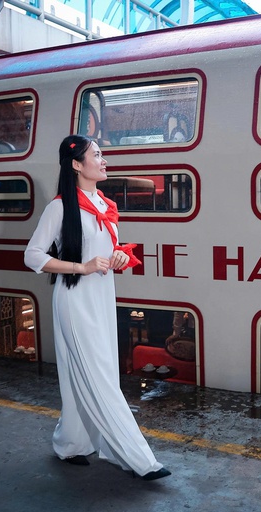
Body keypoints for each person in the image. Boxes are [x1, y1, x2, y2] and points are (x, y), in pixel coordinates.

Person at [24, 135, 170, 481]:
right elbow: (32, 256)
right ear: (77, 165)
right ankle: (139, 459)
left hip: (102, 296)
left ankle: (70, 444)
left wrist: (119, 255)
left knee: (83, 376)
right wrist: (81, 267)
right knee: (100, 377)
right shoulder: (60, 207)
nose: (104, 161)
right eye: (97, 155)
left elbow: (109, 249)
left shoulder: (104, 204)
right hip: (75, 299)